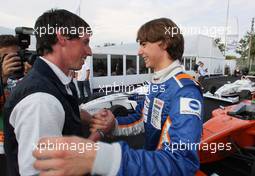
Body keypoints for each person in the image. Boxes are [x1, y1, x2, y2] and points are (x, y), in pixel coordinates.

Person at [33, 18, 204, 176]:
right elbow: (141, 120)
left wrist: (100, 158)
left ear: (164, 43)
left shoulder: (185, 92)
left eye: (144, 44)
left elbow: (182, 161)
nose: (139, 51)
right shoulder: (158, 82)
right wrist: (112, 124)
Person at [3, 9, 95, 176]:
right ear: (62, 38)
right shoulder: (40, 99)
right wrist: (98, 134)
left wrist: (85, 116)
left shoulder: (55, 84)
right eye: (85, 42)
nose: (89, 51)